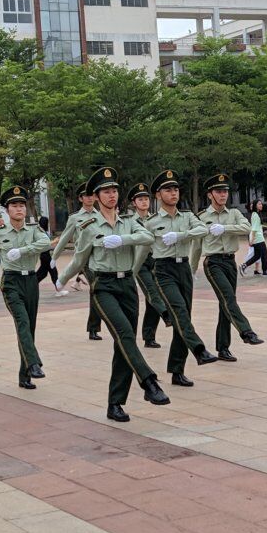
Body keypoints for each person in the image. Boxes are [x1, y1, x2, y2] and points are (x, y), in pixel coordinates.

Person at [56, 167, 170, 423]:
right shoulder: (88, 226)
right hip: (103, 286)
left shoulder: (129, 221)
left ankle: (115, 404)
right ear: (96, 196)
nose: (111, 195)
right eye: (106, 191)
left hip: (127, 285)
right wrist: (61, 279)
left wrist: (122, 239)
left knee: (123, 344)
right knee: (125, 334)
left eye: (114, 191)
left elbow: (147, 236)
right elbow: (79, 258)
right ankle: (149, 382)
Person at [134, 170, 218, 386]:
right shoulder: (151, 223)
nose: (173, 193)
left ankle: (177, 371)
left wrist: (181, 235)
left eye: (175, 189)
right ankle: (199, 349)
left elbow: (202, 230)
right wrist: (132, 274)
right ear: (158, 195)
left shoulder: (187, 216)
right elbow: (142, 252)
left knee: (183, 318)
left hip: (184, 269)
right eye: (168, 190)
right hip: (163, 271)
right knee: (180, 312)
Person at [0, 186, 51, 389]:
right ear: (7, 210)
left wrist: (23, 251)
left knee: (29, 327)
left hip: (31, 281)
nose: (19, 209)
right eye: (14, 206)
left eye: (22, 205)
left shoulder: (34, 229)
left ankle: (24, 376)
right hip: (11, 282)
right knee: (22, 321)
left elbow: (45, 243)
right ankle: (34, 363)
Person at [191, 173, 265, 362]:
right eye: (218, 191)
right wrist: (191, 269)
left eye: (225, 191)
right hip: (213, 263)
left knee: (225, 303)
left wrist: (225, 228)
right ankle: (247, 332)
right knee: (228, 298)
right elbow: (197, 246)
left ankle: (223, 348)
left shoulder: (234, 214)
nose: (223, 194)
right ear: (210, 194)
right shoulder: (202, 217)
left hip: (230, 262)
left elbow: (247, 228)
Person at [51, 184, 103, 340]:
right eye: (86, 195)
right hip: (84, 259)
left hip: (99, 257)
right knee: (96, 289)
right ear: (81, 198)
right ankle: (93, 328)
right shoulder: (75, 218)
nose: (89, 198)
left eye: (92, 195)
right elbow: (65, 238)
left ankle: (94, 326)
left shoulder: (101, 214)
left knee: (98, 291)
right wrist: (55, 256)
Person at [128, 182, 170, 349]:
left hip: (156, 260)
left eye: (146, 199)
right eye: (140, 199)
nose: (144, 202)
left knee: (152, 300)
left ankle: (149, 337)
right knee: (153, 292)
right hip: (140, 263)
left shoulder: (155, 219)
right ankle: (166, 314)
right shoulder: (129, 222)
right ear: (134, 203)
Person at [35, 216, 68, 298]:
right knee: (53, 272)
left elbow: (48, 245)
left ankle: (30, 286)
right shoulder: (40, 233)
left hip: (45, 255)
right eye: (48, 222)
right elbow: (44, 245)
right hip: (45, 255)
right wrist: (54, 241)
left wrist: (54, 243)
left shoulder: (44, 232)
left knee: (43, 273)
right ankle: (58, 290)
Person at [239, 200, 267, 276]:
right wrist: (251, 240)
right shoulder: (255, 215)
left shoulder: (255, 214)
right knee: (264, 255)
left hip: (257, 238)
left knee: (257, 256)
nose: (261, 205)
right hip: (259, 239)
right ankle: (265, 271)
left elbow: (256, 226)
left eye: (261, 204)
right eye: (259, 204)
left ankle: (244, 266)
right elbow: (254, 229)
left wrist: (263, 227)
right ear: (255, 206)